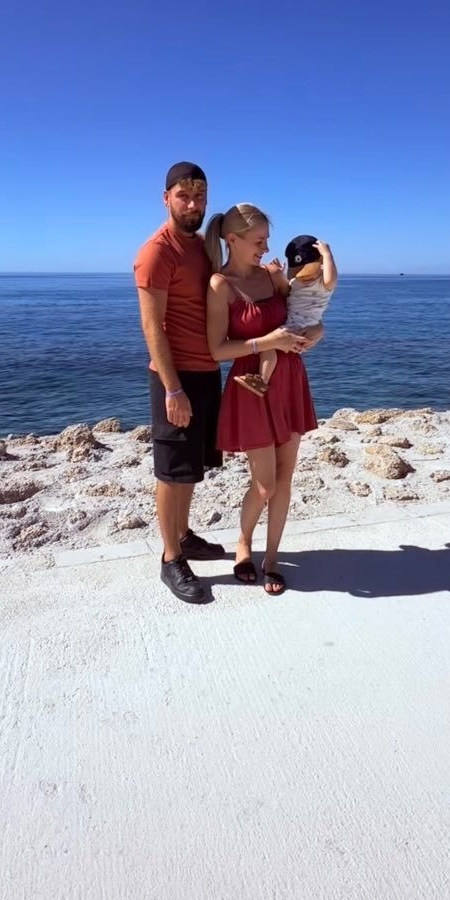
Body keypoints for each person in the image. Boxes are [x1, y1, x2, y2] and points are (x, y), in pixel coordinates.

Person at [204, 204, 320, 595]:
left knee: (285, 479)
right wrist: (266, 342)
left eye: (267, 240)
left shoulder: (272, 277)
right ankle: (243, 541)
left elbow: (305, 313)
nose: (266, 248)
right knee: (265, 485)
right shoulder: (220, 285)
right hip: (252, 386)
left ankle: (271, 558)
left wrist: (316, 333)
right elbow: (217, 349)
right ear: (232, 239)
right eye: (258, 241)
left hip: (289, 380)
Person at [134, 162, 225, 604]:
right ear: (166, 198)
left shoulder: (202, 246)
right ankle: (171, 558)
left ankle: (184, 536)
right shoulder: (157, 252)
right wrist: (173, 389)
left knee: (190, 467)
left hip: (208, 371)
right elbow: (152, 327)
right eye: (183, 196)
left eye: (199, 196)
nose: (193, 204)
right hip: (175, 376)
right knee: (171, 472)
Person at [233, 234, 337, 397]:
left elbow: (332, 277)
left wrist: (327, 254)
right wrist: (279, 273)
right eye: (300, 272)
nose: (305, 276)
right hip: (296, 326)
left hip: (301, 328)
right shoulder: (295, 282)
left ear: (321, 263)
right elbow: (287, 287)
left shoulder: (323, 285)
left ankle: (262, 380)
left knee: (269, 345)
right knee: (270, 345)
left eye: (309, 272)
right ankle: (263, 379)